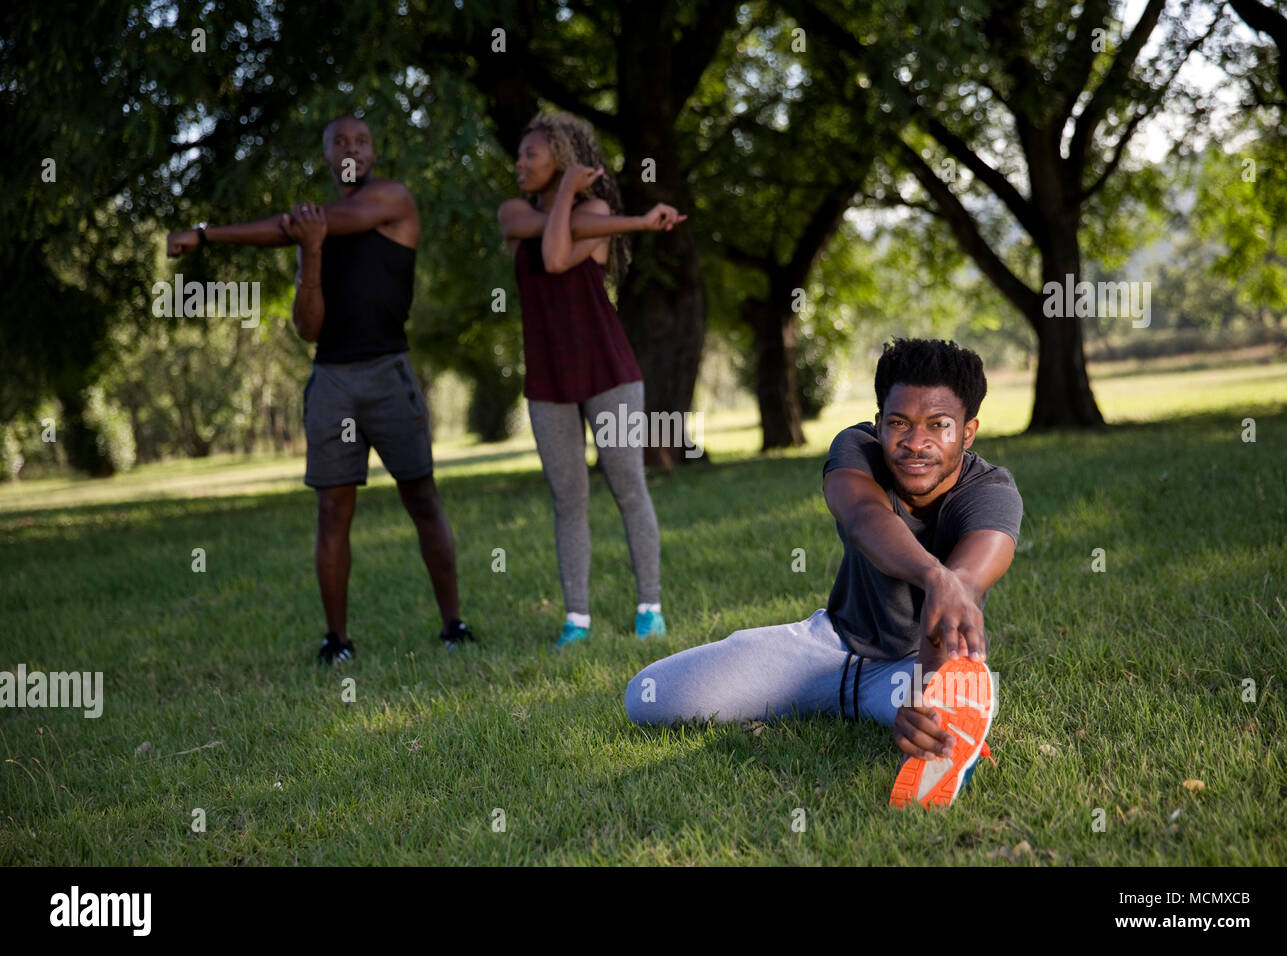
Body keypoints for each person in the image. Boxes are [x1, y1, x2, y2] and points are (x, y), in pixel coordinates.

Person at [625, 338, 1023, 807]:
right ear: (879, 424)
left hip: (911, 666)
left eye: (939, 425)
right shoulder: (856, 448)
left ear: (968, 431)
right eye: (899, 423)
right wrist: (935, 576)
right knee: (648, 698)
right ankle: (839, 700)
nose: (916, 443)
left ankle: (952, 725)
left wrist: (926, 686)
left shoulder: (992, 492)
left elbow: (964, 586)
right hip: (825, 649)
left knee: (940, 715)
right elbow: (863, 519)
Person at [166, 114, 474, 663]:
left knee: (423, 498)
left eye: (361, 138)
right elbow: (308, 327)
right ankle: (338, 641)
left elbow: (291, 224)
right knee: (332, 512)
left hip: (390, 374)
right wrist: (310, 252)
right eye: (339, 141)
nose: (351, 147)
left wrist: (207, 235)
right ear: (328, 156)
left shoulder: (390, 199)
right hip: (332, 380)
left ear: (375, 153)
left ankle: (454, 625)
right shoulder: (317, 231)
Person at [496, 110, 686, 647]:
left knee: (629, 488)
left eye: (531, 154)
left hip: (609, 370)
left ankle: (650, 607)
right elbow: (547, 240)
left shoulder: (596, 209)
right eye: (519, 155)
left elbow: (555, 255)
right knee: (567, 498)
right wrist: (642, 222)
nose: (520, 164)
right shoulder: (514, 213)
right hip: (548, 378)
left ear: (561, 156)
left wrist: (618, 217)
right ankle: (576, 619)